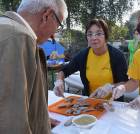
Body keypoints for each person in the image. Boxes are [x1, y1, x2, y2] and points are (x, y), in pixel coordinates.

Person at [0, 0, 67, 133]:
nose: (54, 34)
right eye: (58, 25)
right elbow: (12, 122)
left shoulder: (6, 28)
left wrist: (38, 119)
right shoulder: (19, 38)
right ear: (46, 15)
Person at [54, 19, 128, 101]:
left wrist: (111, 87)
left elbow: (125, 82)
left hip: (113, 104)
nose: (94, 38)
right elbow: (64, 70)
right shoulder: (83, 56)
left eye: (99, 33)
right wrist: (59, 81)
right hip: (91, 102)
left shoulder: (117, 56)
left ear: (105, 36)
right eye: (90, 34)